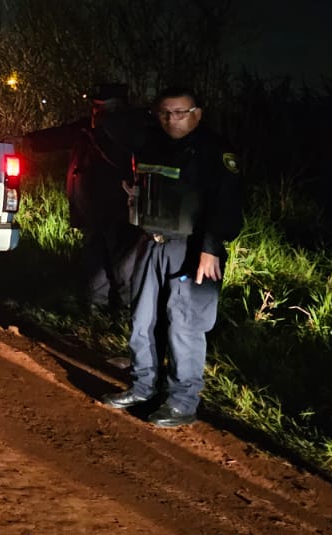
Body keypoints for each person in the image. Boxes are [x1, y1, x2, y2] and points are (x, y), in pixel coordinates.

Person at [102, 86, 244, 428]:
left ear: (197, 113)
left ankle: (182, 402)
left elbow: (226, 203)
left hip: (193, 249)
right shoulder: (154, 142)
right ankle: (143, 387)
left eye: (180, 112)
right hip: (151, 243)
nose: (171, 119)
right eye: (164, 113)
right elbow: (113, 126)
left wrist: (211, 248)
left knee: (185, 326)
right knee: (142, 320)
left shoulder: (214, 150)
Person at [25, 84, 149, 313]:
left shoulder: (131, 130)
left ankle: (123, 310)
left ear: (118, 107)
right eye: (95, 106)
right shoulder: (88, 128)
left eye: (103, 107)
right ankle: (95, 306)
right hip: (92, 210)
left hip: (120, 210)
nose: (96, 111)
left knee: (122, 264)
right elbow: (60, 135)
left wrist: (104, 130)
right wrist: (28, 141)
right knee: (95, 260)